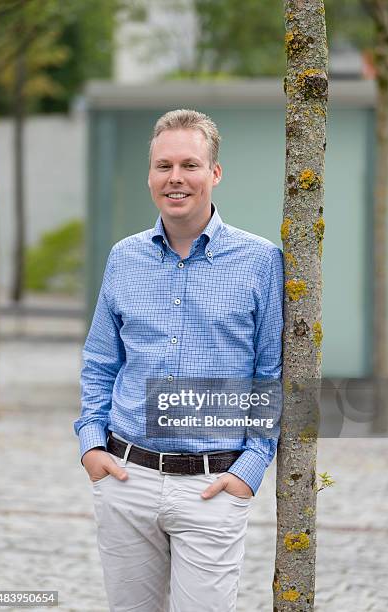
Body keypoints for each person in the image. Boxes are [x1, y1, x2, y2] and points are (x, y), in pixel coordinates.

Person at [74, 109, 284, 612]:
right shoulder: (124, 258)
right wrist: (92, 447)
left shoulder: (261, 262)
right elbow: (101, 360)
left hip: (212, 486)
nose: (175, 178)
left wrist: (249, 469)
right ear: (150, 175)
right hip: (126, 479)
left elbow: (270, 374)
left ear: (214, 173)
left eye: (190, 164)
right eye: (163, 166)